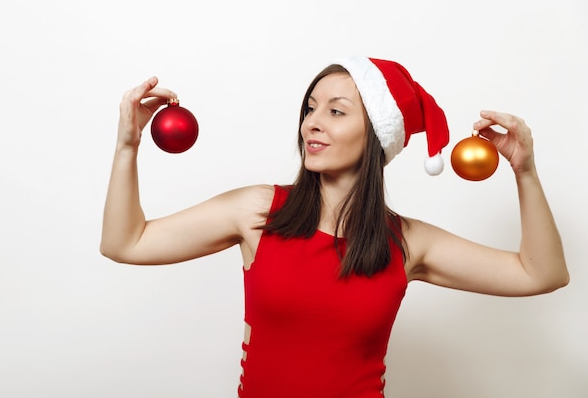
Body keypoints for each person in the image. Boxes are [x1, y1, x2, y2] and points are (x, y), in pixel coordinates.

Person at [100, 56, 569, 398]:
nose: (311, 124)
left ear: (378, 134)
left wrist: (524, 172)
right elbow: (126, 243)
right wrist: (128, 145)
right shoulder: (259, 212)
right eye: (309, 108)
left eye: (335, 111)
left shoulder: (408, 243)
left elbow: (540, 273)